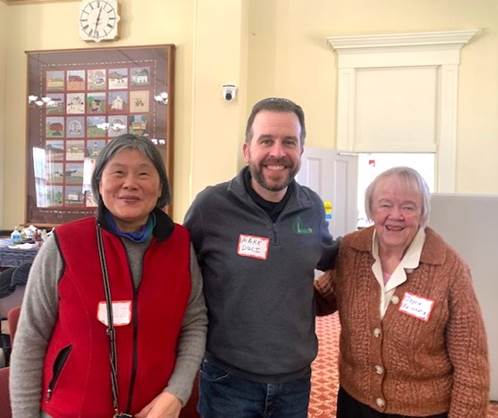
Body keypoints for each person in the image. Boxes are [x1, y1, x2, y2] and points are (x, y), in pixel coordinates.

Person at [10, 134, 207, 418]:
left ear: (160, 186)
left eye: (143, 173)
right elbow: (31, 337)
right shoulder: (65, 243)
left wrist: (177, 392)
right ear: (99, 183)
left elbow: (195, 323)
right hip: (70, 410)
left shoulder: (180, 244)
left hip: (154, 410)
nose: (130, 183)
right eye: (118, 172)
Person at [184, 97, 339, 418]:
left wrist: (386, 242)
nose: (278, 152)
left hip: (296, 380)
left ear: (301, 151)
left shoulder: (311, 206)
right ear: (247, 150)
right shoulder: (211, 207)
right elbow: (179, 274)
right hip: (228, 379)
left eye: (289, 142)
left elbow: (333, 257)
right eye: (266, 140)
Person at [315, 166, 490, 418]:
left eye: (408, 207)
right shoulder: (352, 251)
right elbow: (321, 298)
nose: (395, 215)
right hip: (355, 403)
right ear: (371, 210)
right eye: (385, 205)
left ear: (422, 213)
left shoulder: (449, 269)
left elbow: (472, 364)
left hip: (424, 411)